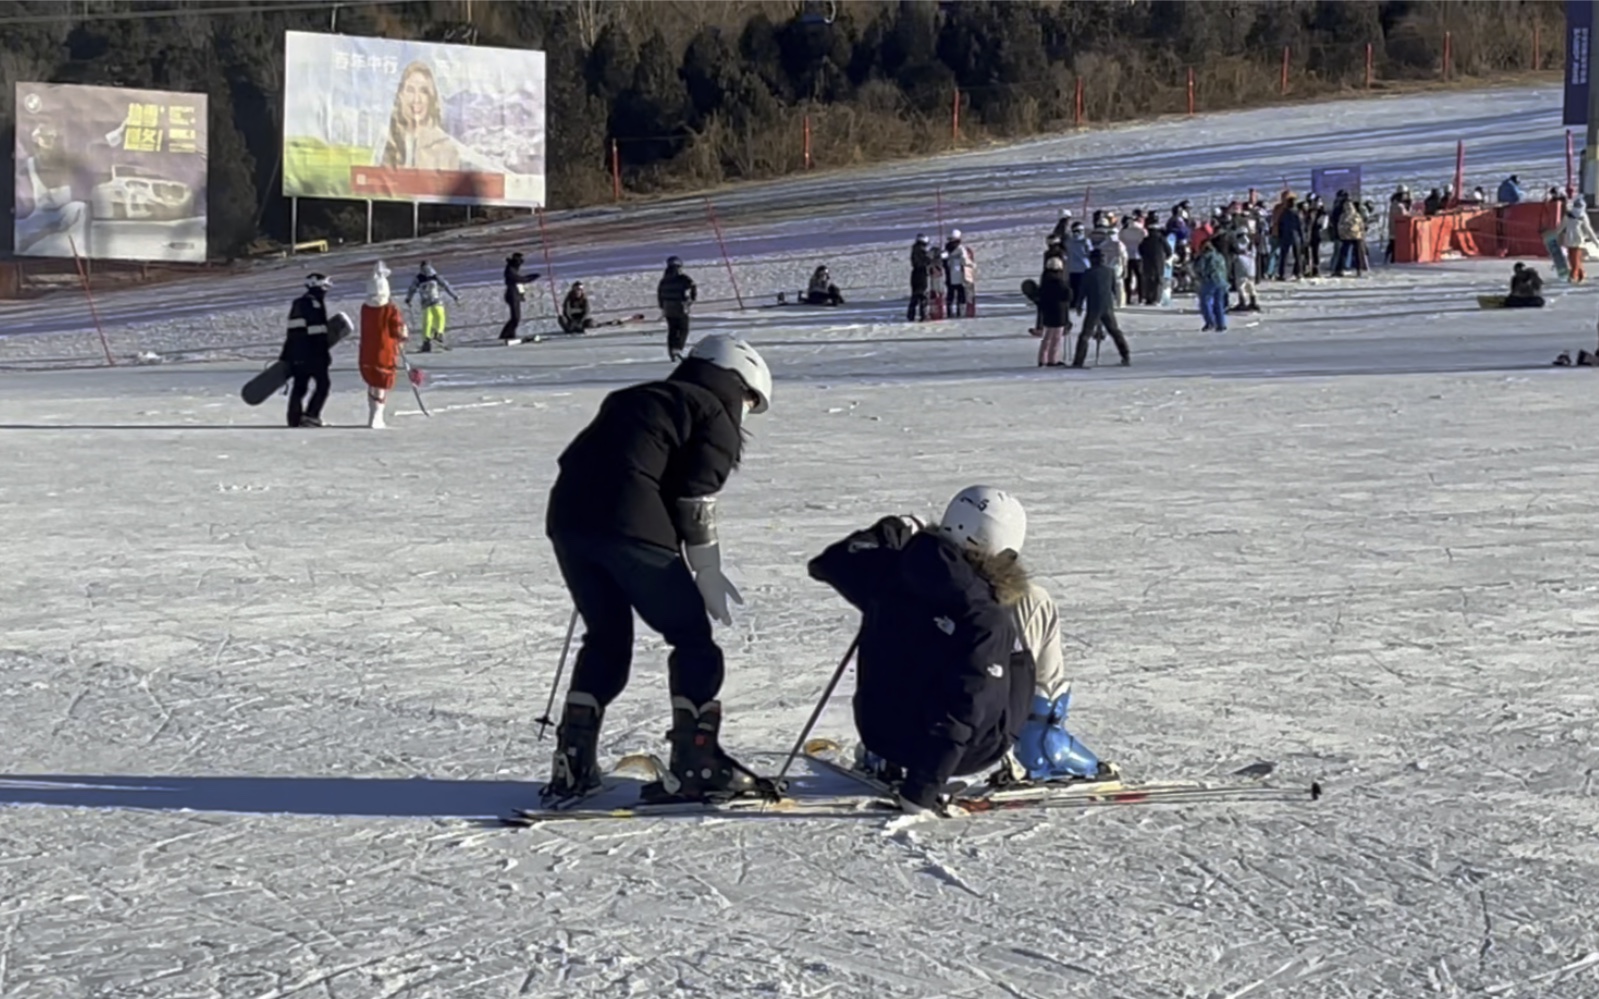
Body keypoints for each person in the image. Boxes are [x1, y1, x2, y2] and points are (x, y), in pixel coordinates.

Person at [542, 335, 775, 803]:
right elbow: (694, 499)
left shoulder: (637, 397)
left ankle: (573, 763)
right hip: (632, 526)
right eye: (750, 399)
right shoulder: (713, 410)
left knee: (606, 640)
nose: (746, 410)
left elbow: (585, 459)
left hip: (568, 520)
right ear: (741, 383)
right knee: (692, 641)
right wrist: (706, 568)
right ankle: (697, 763)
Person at [806, 487, 1035, 813]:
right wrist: (922, 790)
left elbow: (831, 562)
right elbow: (968, 704)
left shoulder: (891, 567)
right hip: (965, 755)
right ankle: (1044, 738)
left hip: (880, 734)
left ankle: (885, 760)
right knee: (1023, 631)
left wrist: (892, 531)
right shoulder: (986, 615)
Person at [358, 261, 409, 429]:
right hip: (385, 350)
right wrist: (402, 337)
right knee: (381, 383)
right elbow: (398, 329)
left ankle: (373, 413)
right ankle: (377, 416)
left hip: (367, 351)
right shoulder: (390, 309)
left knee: (372, 382)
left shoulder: (365, 308)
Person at [280, 274, 335, 428]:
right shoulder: (313, 304)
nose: (326, 289)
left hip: (298, 354)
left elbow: (292, 333)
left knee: (300, 386)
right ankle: (311, 415)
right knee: (323, 385)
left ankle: (294, 419)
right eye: (324, 286)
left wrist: (287, 355)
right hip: (312, 354)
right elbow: (316, 333)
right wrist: (323, 354)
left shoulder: (301, 303)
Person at [1073, 249, 1130, 368]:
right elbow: (1114, 289)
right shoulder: (1110, 271)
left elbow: (1083, 290)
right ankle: (1125, 355)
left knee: (1085, 334)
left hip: (1093, 307)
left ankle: (1078, 361)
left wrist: (1078, 304)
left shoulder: (1088, 273)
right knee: (1115, 331)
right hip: (1107, 306)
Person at [404, 261, 459, 352]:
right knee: (436, 319)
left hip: (430, 302)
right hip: (432, 301)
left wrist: (408, 299)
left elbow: (412, 289)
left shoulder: (426, 277)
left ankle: (431, 339)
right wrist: (454, 296)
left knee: (431, 320)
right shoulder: (429, 277)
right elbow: (446, 286)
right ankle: (434, 336)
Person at [657, 256, 698, 360]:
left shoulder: (664, 280)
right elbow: (693, 286)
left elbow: (659, 294)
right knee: (683, 328)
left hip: (668, 308)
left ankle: (671, 350)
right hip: (680, 306)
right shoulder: (682, 278)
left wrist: (662, 307)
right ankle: (678, 347)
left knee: (672, 330)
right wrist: (691, 299)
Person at [1035, 257, 1071, 368]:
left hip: (1048, 312)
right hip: (1059, 312)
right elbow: (1068, 296)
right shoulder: (1061, 281)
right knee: (1056, 338)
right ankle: (1052, 359)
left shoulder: (1045, 280)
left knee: (1047, 338)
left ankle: (1042, 359)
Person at [500, 252, 537, 341]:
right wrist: (532, 277)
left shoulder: (513, 267)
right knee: (515, 318)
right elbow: (520, 279)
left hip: (515, 294)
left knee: (515, 318)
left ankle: (510, 334)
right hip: (512, 295)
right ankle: (505, 335)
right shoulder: (510, 269)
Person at [1194, 242, 1230, 332]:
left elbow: (1199, 268)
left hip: (1211, 280)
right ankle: (1221, 324)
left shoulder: (1205, 257)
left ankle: (1210, 322)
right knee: (1219, 303)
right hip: (1222, 281)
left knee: (1205, 302)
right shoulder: (1219, 256)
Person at [1558, 206, 1598, 283]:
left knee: (1573, 260)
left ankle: (1574, 276)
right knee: (1576, 260)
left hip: (1570, 240)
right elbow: (1589, 230)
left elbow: (1561, 227)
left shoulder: (1568, 215)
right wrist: (1596, 242)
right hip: (1578, 241)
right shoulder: (1582, 216)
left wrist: (1554, 234)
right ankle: (1580, 275)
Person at [1138, 219, 1170, 306]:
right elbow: (1168, 250)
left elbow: (1140, 249)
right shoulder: (1161, 238)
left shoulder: (1145, 239)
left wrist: (1144, 256)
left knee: (1149, 280)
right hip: (1159, 262)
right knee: (1158, 280)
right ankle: (1157, 299)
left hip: (1147, 262)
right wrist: (1167, 257)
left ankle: (1148, 298)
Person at [943, 230, 973, 317]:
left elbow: (944, 260)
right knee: (960, 294)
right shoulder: (960, 249)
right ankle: (960, 312)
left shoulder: (947, 249)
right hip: (959, 275)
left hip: (950, 275)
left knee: (951, 294)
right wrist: (971, 264)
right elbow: (964, 260)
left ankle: (950, 311)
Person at [1065, 221, 1093, 313]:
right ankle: (1083, 303)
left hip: (1072, 268)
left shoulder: (1069, 241)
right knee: (1084, 287)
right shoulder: (1085, 241)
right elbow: (1090, 252)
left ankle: (1073, 302)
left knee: (1074, 287)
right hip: (1084, 267)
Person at [1119, 212, 1147, 303]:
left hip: (1127, 256)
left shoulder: (1123, 231)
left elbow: (1120, 242)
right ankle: (1141, 297)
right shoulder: (1140, 230)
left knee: (1127, 278)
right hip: (1138, 256)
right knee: (1140, 277)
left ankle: (1127, 297)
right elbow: (1145, 236)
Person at [907, 234, 933, 322]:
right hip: (920, 274)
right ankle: (923, 315)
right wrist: (929, 260)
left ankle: (911, 315)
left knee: (915, 296)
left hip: (916, 275)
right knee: (922, 296)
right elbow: (921, 263)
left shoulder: (915, 250)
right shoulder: (919, 252)